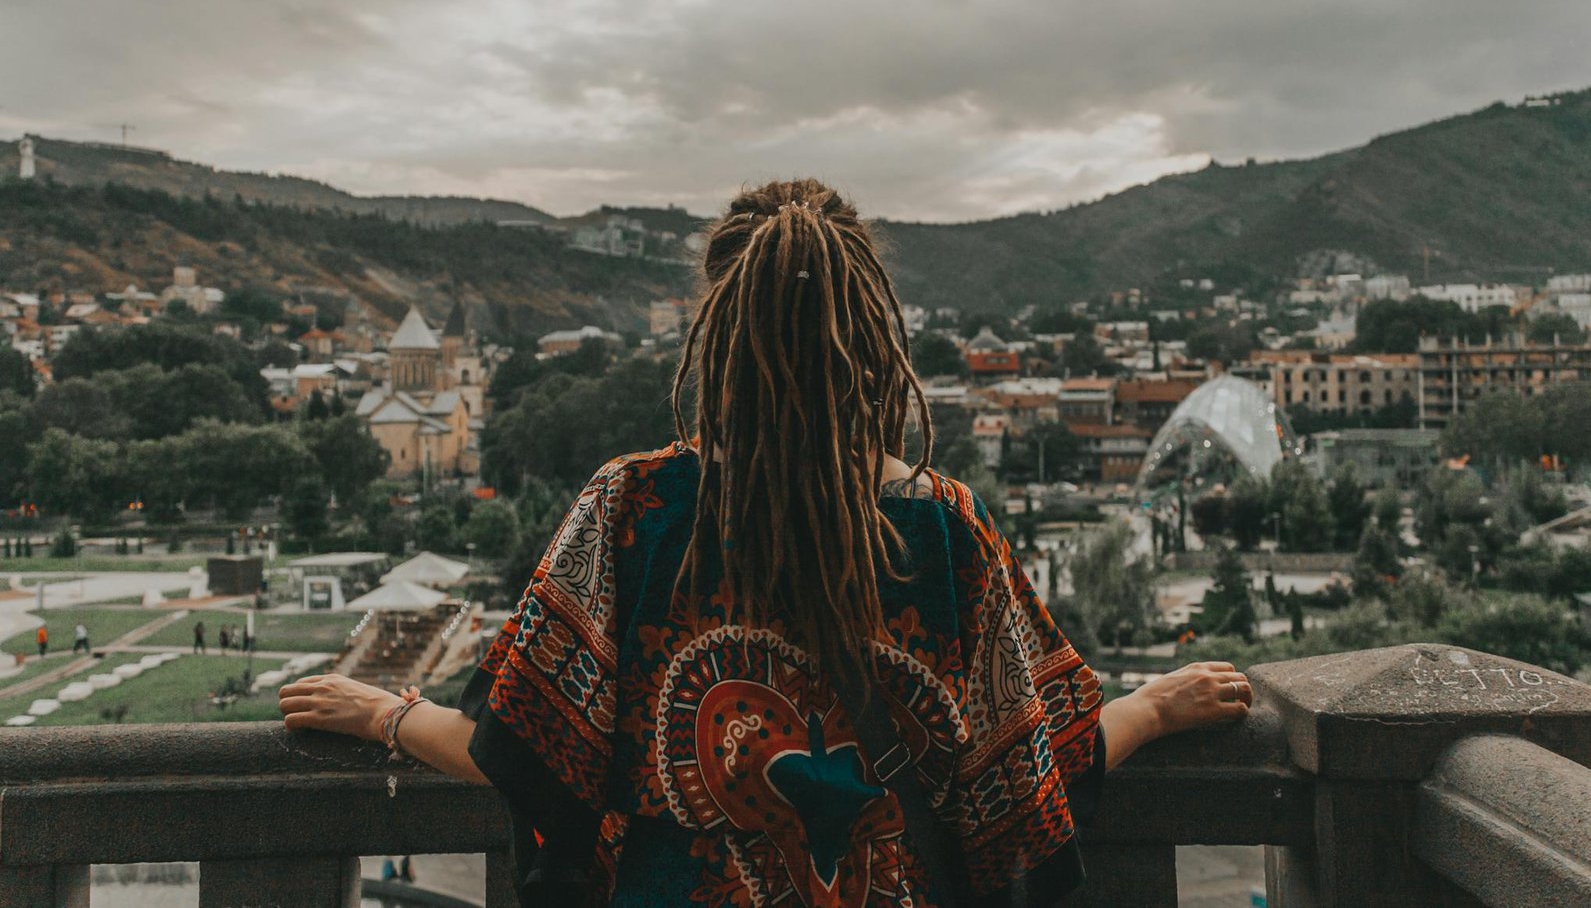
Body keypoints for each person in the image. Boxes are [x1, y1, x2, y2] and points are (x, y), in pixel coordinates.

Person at [280, 181, 1254, 907]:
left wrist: (382, 715)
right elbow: (1024, 782)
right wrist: (1155, 707)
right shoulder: (946, 526)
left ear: (719, 331)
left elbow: (523, 748)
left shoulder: (632, 508)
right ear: (873, 335)